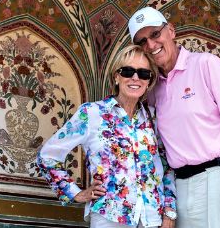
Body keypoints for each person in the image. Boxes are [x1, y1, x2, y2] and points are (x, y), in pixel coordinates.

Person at [128, 6, 220, 228]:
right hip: (181, 185)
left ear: (171, 31)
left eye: (155, 34)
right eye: (142, 42)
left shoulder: (205, 64)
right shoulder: (151, 87)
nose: (151, 45)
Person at [37, 45, 177, 228]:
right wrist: (76, 193)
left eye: (143, 73)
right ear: (116, 76)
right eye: (128, 71)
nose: (136, 78)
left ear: (149, 81)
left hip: (152, 219)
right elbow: (47, 156)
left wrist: (169, 212)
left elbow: (167, 166)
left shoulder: (155, 117)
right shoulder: (92, 113)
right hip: (110, 217)